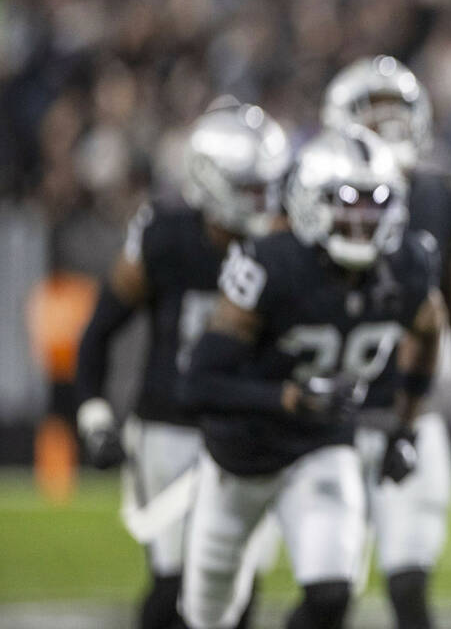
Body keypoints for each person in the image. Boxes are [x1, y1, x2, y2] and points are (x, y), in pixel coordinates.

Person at [178, 124, 443, 629]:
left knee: (332, 594)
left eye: (375, 202)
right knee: (207, 617)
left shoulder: (408, 265)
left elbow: (430, 334)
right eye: (347, 201)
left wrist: (405, 428)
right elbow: (198, 385)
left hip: (320, 446)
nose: (362, 218)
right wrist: (287, 398)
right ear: (308, 202)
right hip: (238, 457)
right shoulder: (271, 264)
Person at [322, 55, 451, 628]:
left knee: (409, 586)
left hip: (407, 416)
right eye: (375, 116)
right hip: (326, 423)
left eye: (399, 114)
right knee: (327, 592)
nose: (390, 128)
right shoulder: (313, 194)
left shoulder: (440, 197)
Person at [74, 100, 291, 629]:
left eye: (267, 185)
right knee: (173, 583)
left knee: (236, 584)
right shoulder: (165, 235)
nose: (262, 200)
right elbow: (100, 328)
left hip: (245, 430)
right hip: (168, 427)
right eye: (248, 186)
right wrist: (94, 414)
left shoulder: (284, 245)